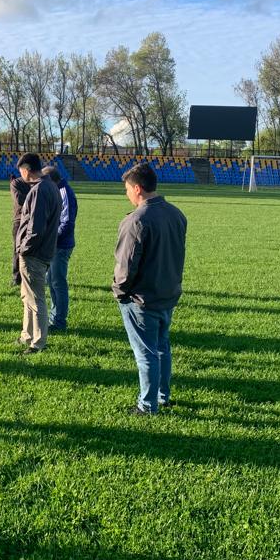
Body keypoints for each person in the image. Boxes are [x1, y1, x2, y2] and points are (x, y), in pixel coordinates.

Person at [112, 163, 187, 415]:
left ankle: (147, 405)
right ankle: (163, 396)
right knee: (162, 347)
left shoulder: (136, 221)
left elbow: (126, 266)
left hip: (142, 298)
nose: (126, 195)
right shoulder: (177, 214)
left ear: (137, 188)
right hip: (168, 293)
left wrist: (119, 292)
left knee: (146, 353)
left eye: (127, 190)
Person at [14, 153, 61, 354]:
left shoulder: (39, 190)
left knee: (35, 299)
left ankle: (38, 342)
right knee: (28, 296)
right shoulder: (51, 186)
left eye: (20, 171)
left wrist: (24, 248)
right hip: (44, 250)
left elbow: (36, 227)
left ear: (26, 169)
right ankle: (27, 334)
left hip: (34, 253)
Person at [42, 166, 77, 331]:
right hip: (55, 244)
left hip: (60, 246)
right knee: (51, 281)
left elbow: (67, 223)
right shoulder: (58, 191)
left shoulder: (65, 193)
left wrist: (52, 238)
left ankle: (59, 322)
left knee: (58, 283)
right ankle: (54, 317)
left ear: (51, 181)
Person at [8, 173, 31, 286]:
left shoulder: (36, 182)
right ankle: (17, 277)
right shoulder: (16, 183)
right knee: (17, 250)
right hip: (20, 221)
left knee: (34, 250)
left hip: (35, 220)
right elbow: (19, 200)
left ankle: (32, 276)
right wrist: (35, 196)